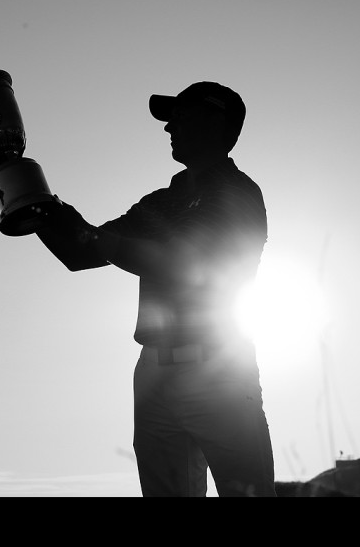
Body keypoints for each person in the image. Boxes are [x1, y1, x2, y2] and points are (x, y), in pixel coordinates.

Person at [35, 81, 276, 497]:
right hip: (154, 377)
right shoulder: (161, 201)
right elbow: (80, 252)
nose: (169, 127)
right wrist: (25, 191)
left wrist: (102, 242)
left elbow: (186, 265)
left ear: (214, 122)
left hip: (220, 370)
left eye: (180, 116)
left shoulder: (238, 194)